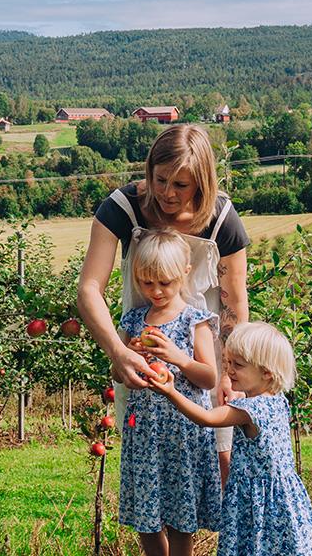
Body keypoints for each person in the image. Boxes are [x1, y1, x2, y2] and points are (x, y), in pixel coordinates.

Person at [76, 124, 251, 482]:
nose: (167, 194)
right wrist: (118, 352)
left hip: (203, 365)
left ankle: (214, 541)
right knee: (148, 473)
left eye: (181, 185)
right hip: (144, 360)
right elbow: (89, 288)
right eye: (160, 180)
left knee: (220, 468)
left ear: (202, 182)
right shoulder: (123, 207)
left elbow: (234, 308)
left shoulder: (222, 219)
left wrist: (233, 373)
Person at [148, 322, 312, 556]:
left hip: (255, 501)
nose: (229, 371)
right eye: (228, 362)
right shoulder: (277, 400)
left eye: (238, 365)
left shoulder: (248, 410)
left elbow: (206, 418)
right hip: (281, 496)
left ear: (266, 372)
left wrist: (171, 392)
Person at [116, 229, 221, 556]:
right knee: (146, 522)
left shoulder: (194, 321)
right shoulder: (134, 320)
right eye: (147, 283)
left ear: (185, 273)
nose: (156, 291)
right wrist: (129, 360)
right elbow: (117, 373)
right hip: (145, 434)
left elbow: (209, 377)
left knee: (180, 521)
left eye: (165, 282)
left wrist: (178, 357)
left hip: (182, 437)